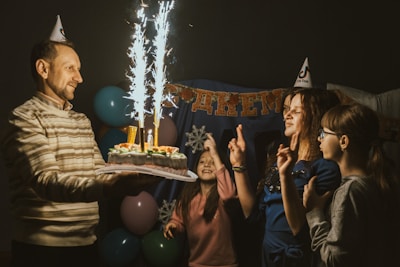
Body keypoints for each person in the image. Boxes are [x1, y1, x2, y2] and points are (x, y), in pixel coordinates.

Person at [0, 16, 162, 267]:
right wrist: (110, 187)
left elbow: (98, 174)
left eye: (79, 69)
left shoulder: (81, 121)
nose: (80, 78)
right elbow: (46, 181)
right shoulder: (23, 118)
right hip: (41, 252)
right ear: (43, 69)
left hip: (86, 248)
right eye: (70, 68)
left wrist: (134, 172)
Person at [239, 88, 342, 267]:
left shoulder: (324, 168)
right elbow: (253, 215)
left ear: (315, 116)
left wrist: (285, 175)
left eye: (296, 111)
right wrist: (239, 165)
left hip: (296, 260)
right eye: (287, 110)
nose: (287, 115)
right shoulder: (280, 162)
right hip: (267, 258)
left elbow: (299, 228)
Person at [300, 103, 400, 267]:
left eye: (323, 133)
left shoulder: (350, 191)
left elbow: (335, 260)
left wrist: (314, 213)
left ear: (344, 141)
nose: (319, 138)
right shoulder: (375, 182)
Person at [163, 129, 253, 267]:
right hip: (196, 264)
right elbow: (178, 220)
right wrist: (173, 226)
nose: (206, 164)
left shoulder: (222, 198)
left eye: (212, 162)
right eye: (202, 161)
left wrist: (215, 153)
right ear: (196, 168)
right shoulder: (188, 197)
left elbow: (229, 194)